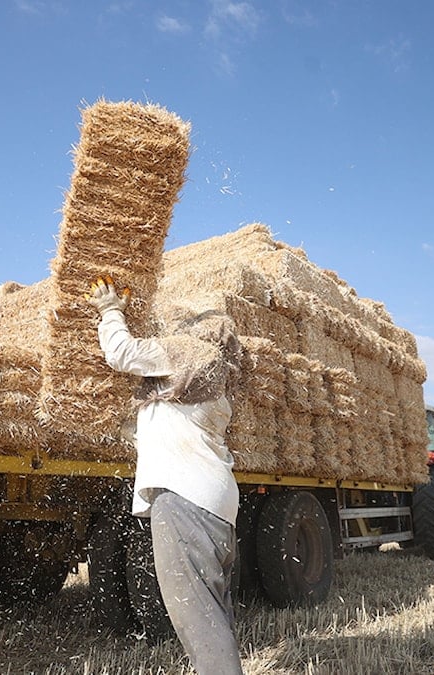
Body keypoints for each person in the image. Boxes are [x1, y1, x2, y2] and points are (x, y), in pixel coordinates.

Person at [86, 276, 244, 675]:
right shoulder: (208, 386)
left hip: (183, 502)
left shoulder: (192, 355)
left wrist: (109, 312)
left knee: (195, 617)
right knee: (212, 611)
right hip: (215, 503)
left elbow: (122, 353)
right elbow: (152, 424)